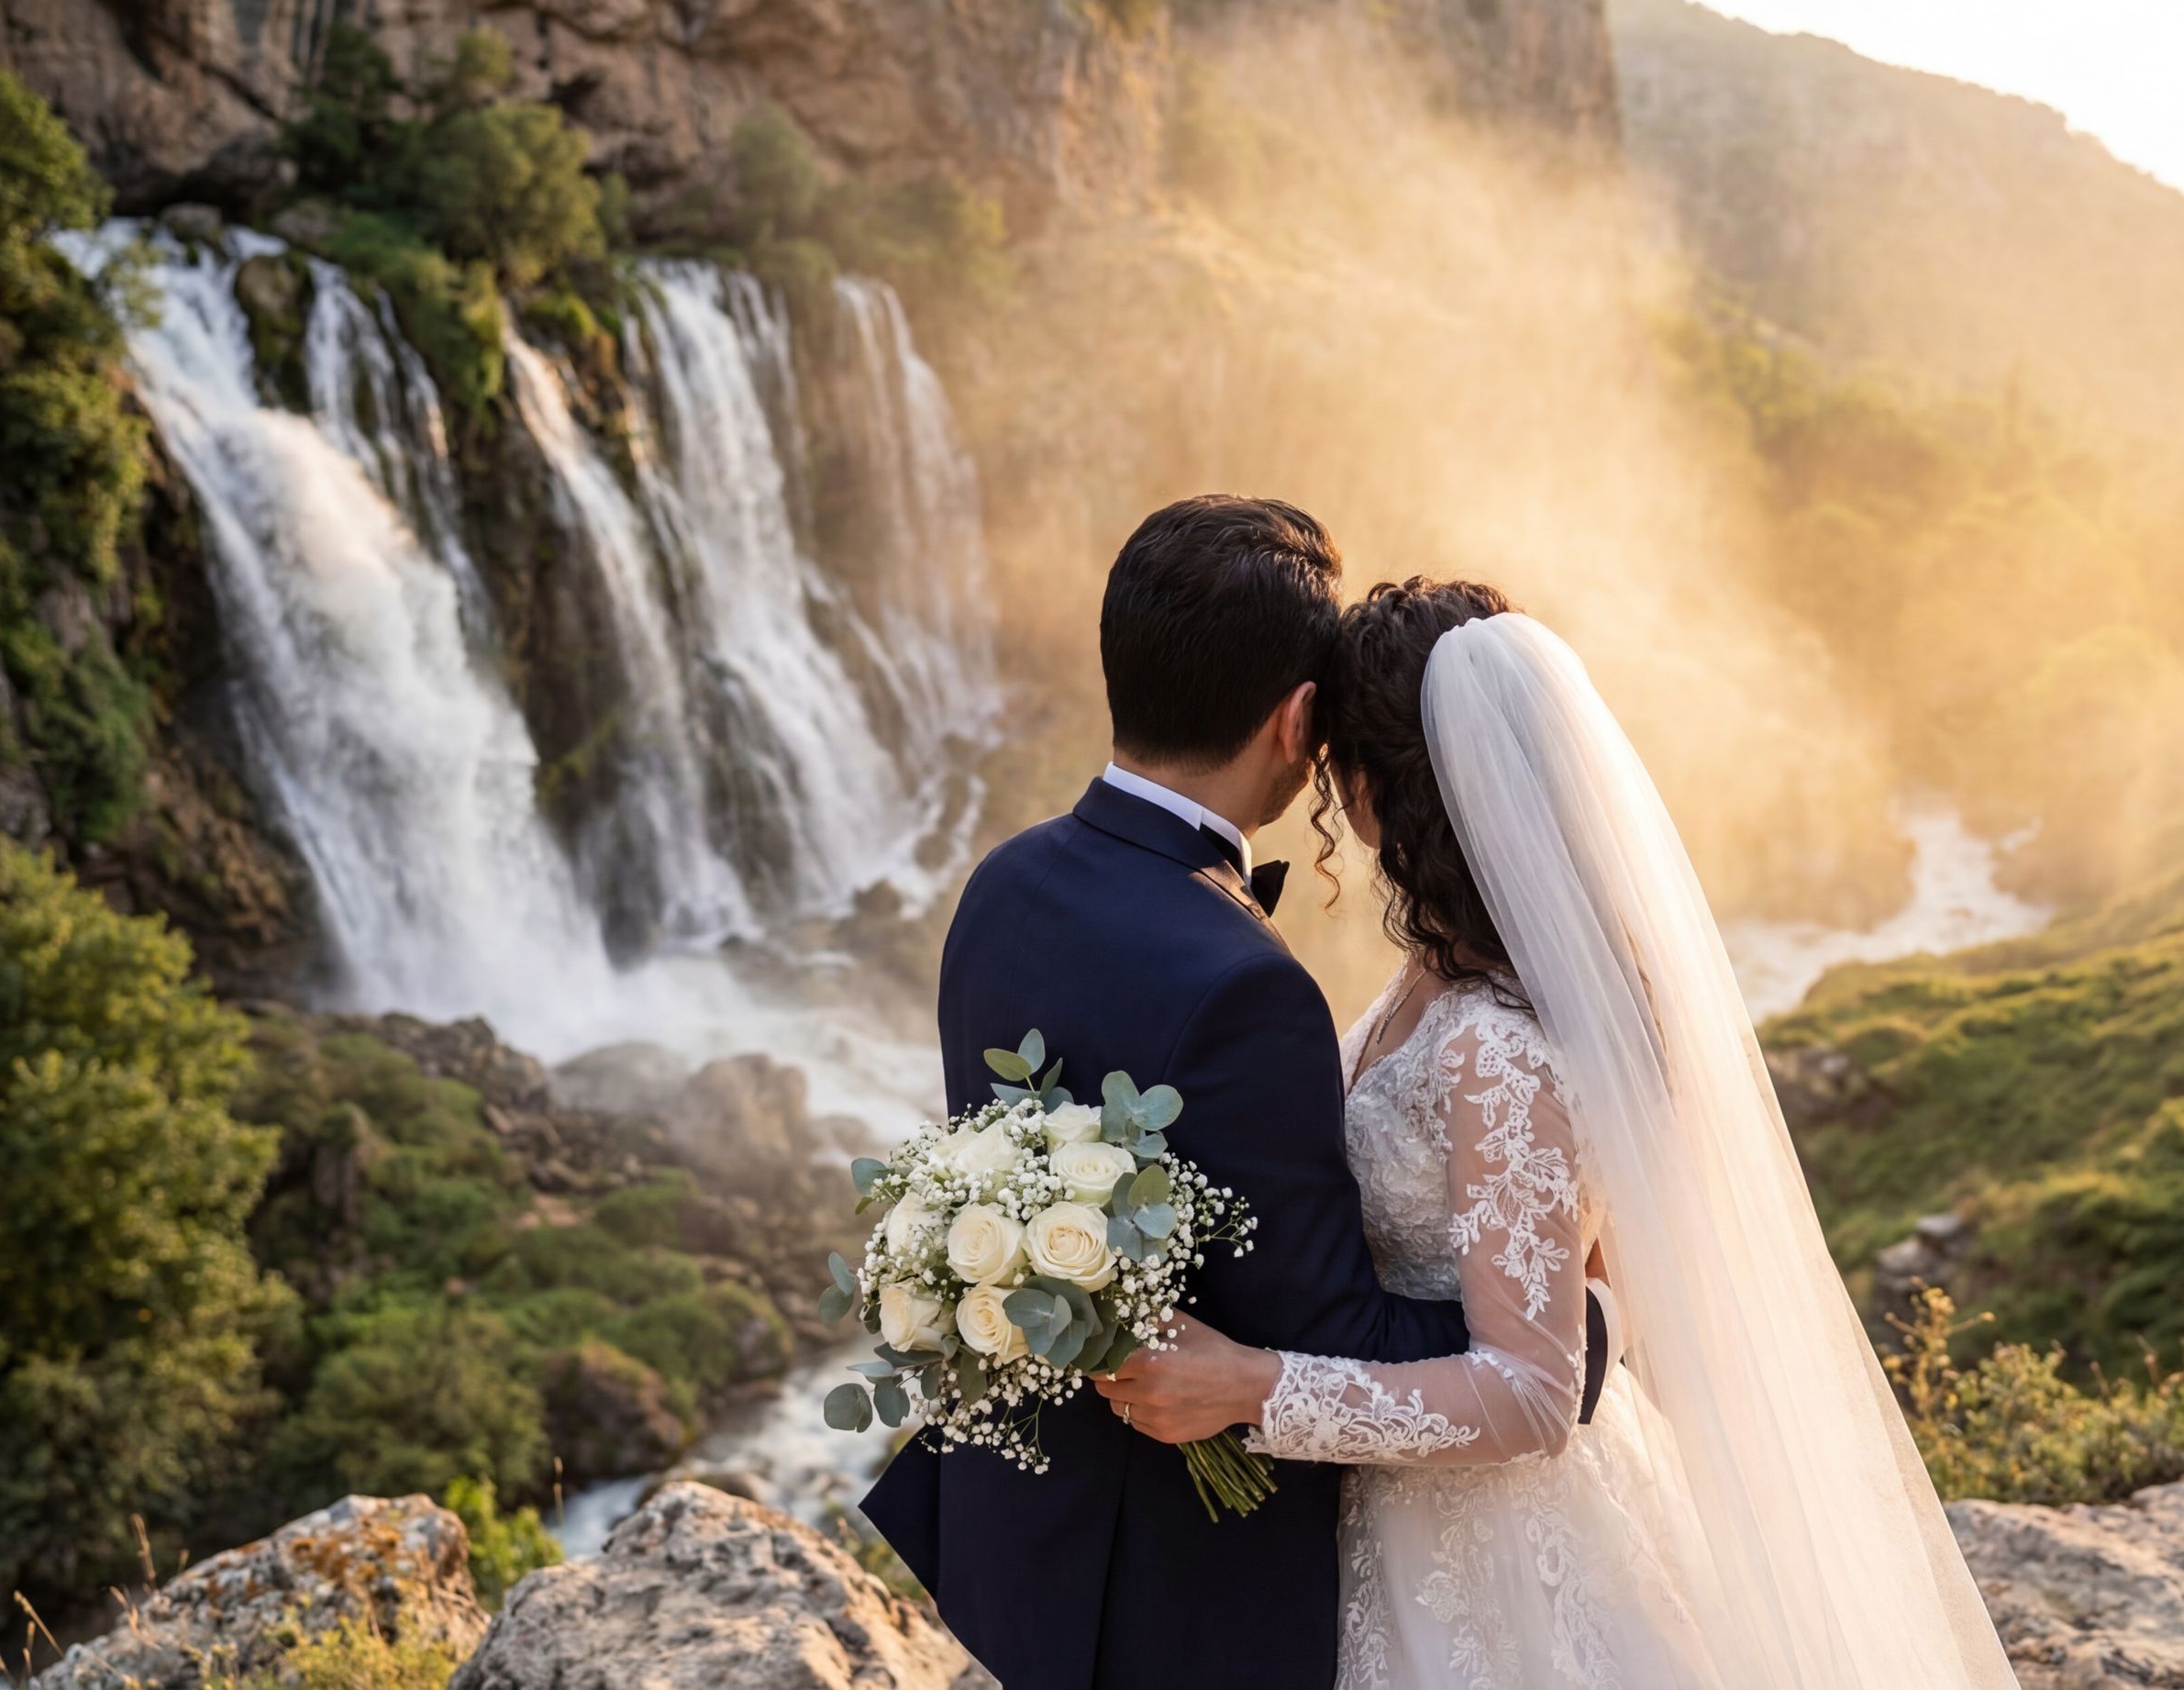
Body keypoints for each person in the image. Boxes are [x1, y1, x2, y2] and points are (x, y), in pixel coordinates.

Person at [1092, 579, 2021, 1689]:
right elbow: (1587, 1267)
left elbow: (1533, 1392)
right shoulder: (1440, 979)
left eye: (1340, 765)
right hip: (1388, 1518)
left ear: (1390, 788)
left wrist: (1253, 1385)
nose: (1327, 793)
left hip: (1502, 1559)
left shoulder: (1497, 1044)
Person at [861, 502, 1607, 1690]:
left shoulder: (1002, 886)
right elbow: (1330, 1331)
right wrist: (1590, 1334)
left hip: (1026, 1536)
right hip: (1184, 1594)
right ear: (1299, 719)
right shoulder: (1249, 988)